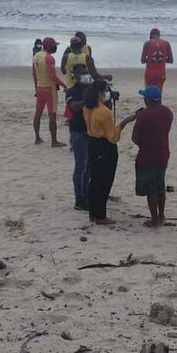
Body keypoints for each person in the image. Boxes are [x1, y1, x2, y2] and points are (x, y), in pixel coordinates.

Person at [83, 80, 137, 225]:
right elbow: (112, 137)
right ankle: (101, 216)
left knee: (94, 179)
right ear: (101, 92)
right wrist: (125, 122)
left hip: (92, 143)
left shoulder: (87, 107)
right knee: (104, 181)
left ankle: (93, 213)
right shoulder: (103, 112)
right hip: (104, 146)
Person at [132, 85, 173, 227]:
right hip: (163, 152)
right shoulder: (167, 112)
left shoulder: (144, 115)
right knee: (160, 185)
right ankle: (161, 215)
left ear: (148, 100)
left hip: (148, 155)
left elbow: (135, 137)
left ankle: (154, 219)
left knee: (151, 189)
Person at [65, 64, 93, 211]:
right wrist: (88, 99)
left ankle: (87, 195)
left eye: (86, 72)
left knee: (89, 167)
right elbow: (74, 107)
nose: (84, 74)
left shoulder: (92, 87)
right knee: (80, 167)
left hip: (92, 131)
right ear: (74, 76)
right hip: (78, 132)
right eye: (81, 73)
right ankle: (79, 200)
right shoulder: (71, 91)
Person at [32, 37, 66, 147]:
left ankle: (37, 137)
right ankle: (54, 141)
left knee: (38, 113)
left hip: (40, 87)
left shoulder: (36, 56)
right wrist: (64, 85)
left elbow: (34, 73)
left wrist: (36, 88)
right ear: (50, 46)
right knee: (52, 115)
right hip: (49, 89)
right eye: (54, 45)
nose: (56, 47)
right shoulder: (49, 58)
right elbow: (52, 76)